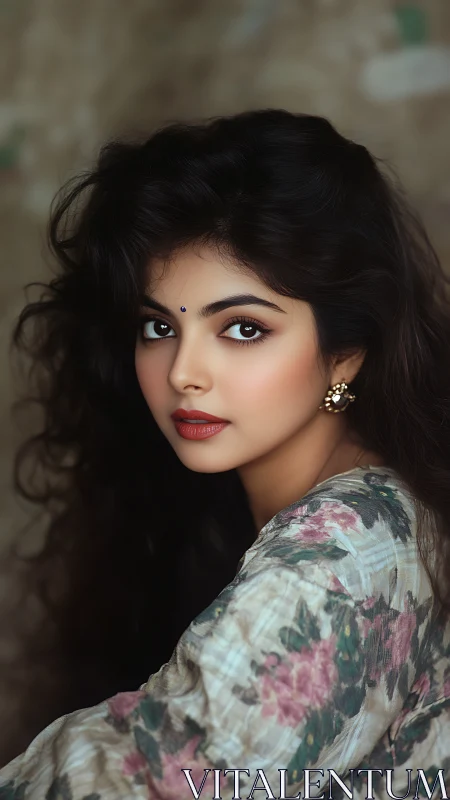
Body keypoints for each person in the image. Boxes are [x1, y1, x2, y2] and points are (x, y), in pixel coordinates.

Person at [0, 108, 450, 799]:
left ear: (345, 355)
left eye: (242, 328)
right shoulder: (380, 509)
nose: (184, 373)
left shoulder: (336, 556)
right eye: (158, 326)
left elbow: (145, 782)